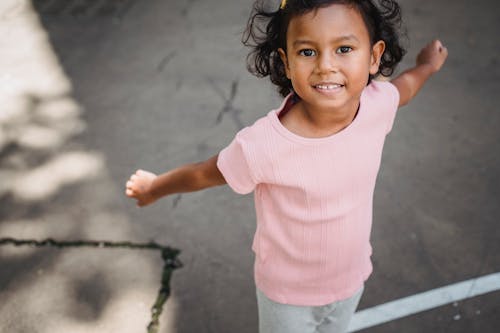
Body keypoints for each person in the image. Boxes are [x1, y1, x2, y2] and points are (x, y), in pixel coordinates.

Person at [125, 0, 448, 332]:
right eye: (307, 52)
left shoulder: (376, 105)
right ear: (287, 62)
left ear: (374, 57)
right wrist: (154, 187)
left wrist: (427, 66)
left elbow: (404, 88)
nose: (326, 65)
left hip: (351, 278)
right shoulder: (264, 145)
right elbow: (202, 173)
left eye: (344, 48)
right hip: (288, 297)